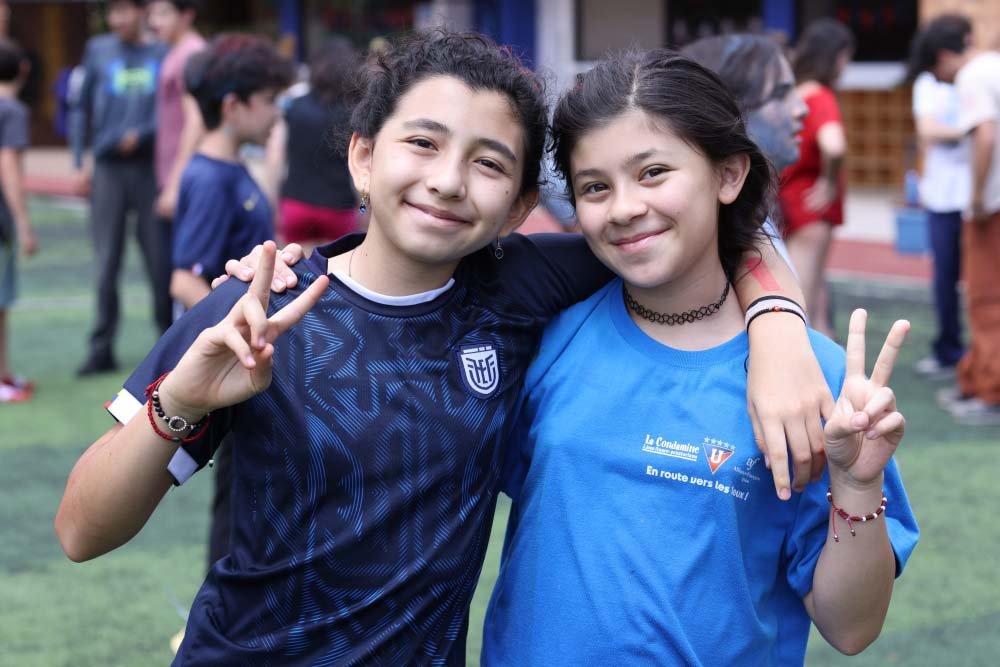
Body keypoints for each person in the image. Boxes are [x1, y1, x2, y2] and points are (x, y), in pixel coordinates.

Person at [56, 31, 831, 664]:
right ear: (363, 157)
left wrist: (777, 329)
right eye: (422, 143)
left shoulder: (520, 287)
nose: (449, 181)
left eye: (489, 162)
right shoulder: (260, 304)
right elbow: (81, 531)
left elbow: (706, 229)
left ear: (519, 205)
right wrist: (177, 404)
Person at [482, 50, 918, 666]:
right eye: (595, 187)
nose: (624, 207)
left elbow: (851, 628)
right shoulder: (547, 337)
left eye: (654, 172)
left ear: (728, 175)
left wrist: (857, 483)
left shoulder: (809, 376)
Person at [69, 0, 170, 375]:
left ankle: (169, 343)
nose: (116, 20)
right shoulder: (97, 49)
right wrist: (79, 160)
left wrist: (142, 133)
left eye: (124, 10)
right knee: (106, 261)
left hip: (149, 168)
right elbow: (79, 107)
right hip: (108, 168)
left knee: (159, 261)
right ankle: (101, 348)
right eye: (111, 12)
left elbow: (174, 111)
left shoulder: (162, 51)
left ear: (142, 11)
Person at [910, 14, 1000, 424]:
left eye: (937, 72)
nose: (941, 81)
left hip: (992, 206)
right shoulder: (994, 65)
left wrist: (977, 197)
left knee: (986, 298)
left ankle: (990, 391)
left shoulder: (972, 76)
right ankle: (977, 379)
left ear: (945, 56)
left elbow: (985, 134)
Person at [682, 34, 806, 279]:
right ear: (729, 112)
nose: (802, 109)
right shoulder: (713, 243)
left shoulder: (753, 216)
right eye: (780, 94)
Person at [779, 18, 855, 337]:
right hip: (809, 206)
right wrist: (828, 181)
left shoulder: (792, 95)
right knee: (803, 302)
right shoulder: (820, 97)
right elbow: (834, 145)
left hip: (790, 201)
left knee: (815, 297)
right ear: (836, 56)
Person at [906, 38, 969, 378]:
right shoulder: (928, 83)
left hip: (978, 200)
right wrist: (976, 130)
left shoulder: (974, 77)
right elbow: (928, 129)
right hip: (943, 197)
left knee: (985, 283)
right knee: (945, 276)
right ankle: (949, 350)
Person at [269, 39, 361, 255]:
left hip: (295, 205)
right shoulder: (354, 113)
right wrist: (364, 209)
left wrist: (273, 207)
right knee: (337, 268)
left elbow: (275, 159)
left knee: (294, 267)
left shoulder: (293, 106)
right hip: (340, 209)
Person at [0, 37, 37, 403]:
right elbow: (8, 166)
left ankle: (4, 374)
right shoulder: (12, 110)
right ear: (24, 69)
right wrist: (24, 225)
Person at [147, 0, 206, 221]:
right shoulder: (176, 51)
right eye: (152, 14)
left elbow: (196, 120)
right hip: (179, 176)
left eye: (163, 14)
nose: (154, 22)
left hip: (187, 179)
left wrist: (175, 184)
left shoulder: (191, 53)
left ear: (187, 15)